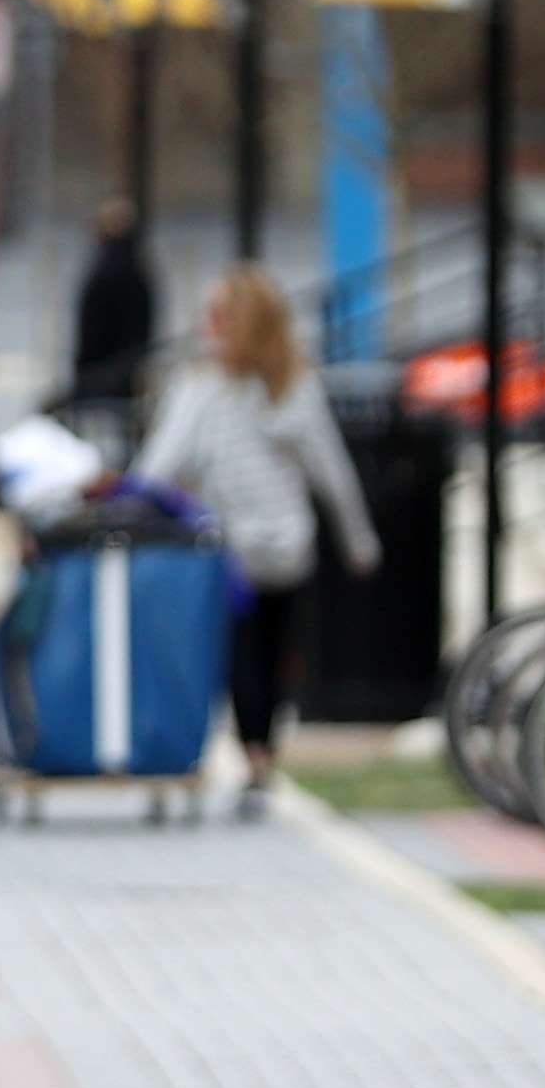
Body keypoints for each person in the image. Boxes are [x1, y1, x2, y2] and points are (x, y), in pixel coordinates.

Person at [133, 266, 381, 817]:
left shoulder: (201, 388)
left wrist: (137, 498)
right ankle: (262, 757)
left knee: (235, 654)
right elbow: (332, 474)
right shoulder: (295, 384)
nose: (206, 325)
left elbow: (160, 468)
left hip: (231, 551)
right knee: (275, 651)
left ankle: (237, 753)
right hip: (290, 545)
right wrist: (358, 541)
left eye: (217, 314)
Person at [68, 198, 158, 413]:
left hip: (103, 375)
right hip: (131, 371)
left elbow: (90, 333)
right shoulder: (141, 270)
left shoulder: (102, 272)